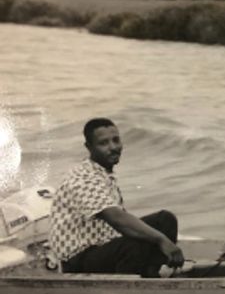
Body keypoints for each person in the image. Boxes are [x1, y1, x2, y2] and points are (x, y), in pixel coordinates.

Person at [49, 118, 185, 277]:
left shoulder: (102, 172)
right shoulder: (83, 178)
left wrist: (158, 238)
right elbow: (115, 217)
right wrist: (161, 240)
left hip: (101, 246)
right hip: (77, 260)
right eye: (103, 143)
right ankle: (130, 289)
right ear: (89, 147)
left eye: (116, 140)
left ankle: (150, 274)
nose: (113, 147)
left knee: (164, 219)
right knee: (134, 244)